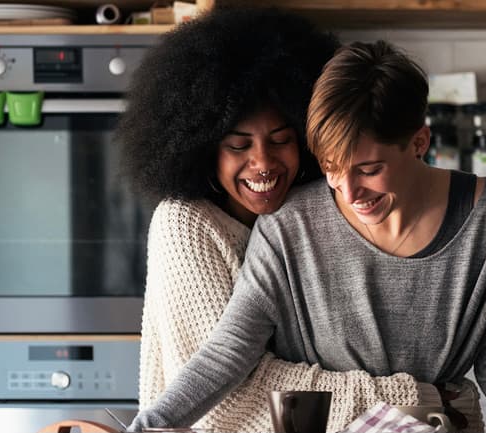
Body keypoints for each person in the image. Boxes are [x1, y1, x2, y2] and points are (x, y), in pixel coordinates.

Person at [128, 40, 486, 433]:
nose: (348, 192)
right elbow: (229, 351)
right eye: (331, 168)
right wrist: (147, 427)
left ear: (419, 142)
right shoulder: (289, 222)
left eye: (369, 170)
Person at [116, 10, 426, 433]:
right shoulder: (185, 225)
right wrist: (403, 396)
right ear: (203, 149)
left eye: (281, 140)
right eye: (238, 145)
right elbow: (230, 398)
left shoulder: (301, 216)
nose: (263, 163)